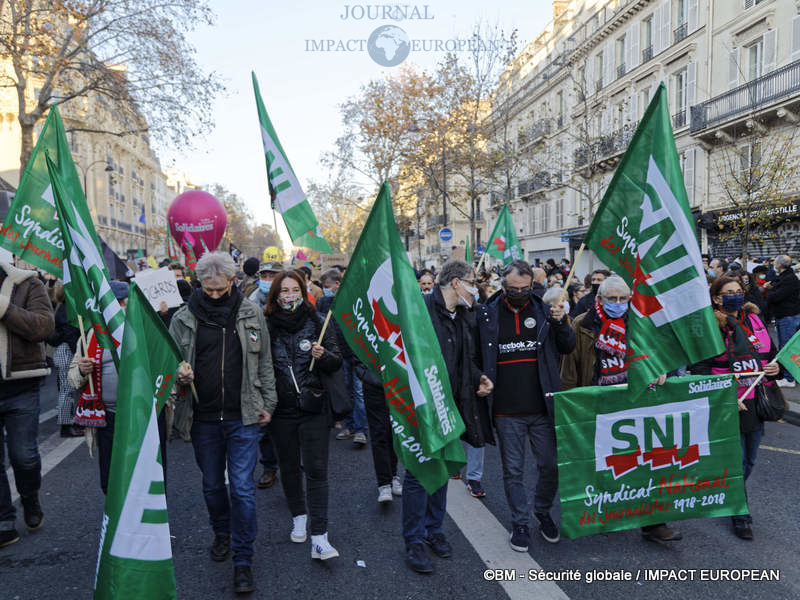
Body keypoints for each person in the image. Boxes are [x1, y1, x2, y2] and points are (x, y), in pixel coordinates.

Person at [169, 252, 277, 595]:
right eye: (207, 289)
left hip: (243, 415)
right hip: (202, 418)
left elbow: (265, 363)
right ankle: (222, 532)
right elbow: (167, 363)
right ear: (198, 283)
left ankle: (243, 559)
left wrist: (268, 404)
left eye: (220, 289)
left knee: (243, 488)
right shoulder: (183, 318)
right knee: (213, 485)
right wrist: (178, 373)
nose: (213, 295)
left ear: (232, 282)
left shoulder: (250, 312)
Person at [561, 275, 678, 543]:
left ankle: (653, 523)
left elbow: (656, 356)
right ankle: (595, 513)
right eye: (612, 299)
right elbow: (570, 371)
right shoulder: (582, 325)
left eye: (623, 299)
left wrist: (658, 369)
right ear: (599, 299)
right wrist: (573, 405)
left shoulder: (639, 324)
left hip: (635, 403)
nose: (618, 304)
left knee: (646, 462)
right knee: (601, 463)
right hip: (597, 402)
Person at [474, 260, 576, 551]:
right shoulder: (486, 314)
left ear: (532, 285)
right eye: (512, 288)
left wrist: (560, 322)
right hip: (506, 411)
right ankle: (519, 522)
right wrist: (480, 379)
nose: (519, 293)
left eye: (525, 288)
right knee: (513, 471)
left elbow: (568, 347)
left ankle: (542, 511)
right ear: (502, 285)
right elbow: (477, 356)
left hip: (543, 408)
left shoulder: (546, 310)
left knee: (550, 466)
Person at [404, 260, 494, 574]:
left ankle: (434, 530)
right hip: (424, 406)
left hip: (453, 405)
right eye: (472, 282)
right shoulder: (421, 311)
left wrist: (478, 378)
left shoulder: (463, 315)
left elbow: (465, 358)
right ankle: (414, 540)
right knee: (419, 472)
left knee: (442, 470)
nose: (476, 289)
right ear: (456, 283)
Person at [689, 275, 780, 540]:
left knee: (750, 460)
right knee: (737, 461)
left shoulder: (753, 319)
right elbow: (700, 369)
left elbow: (770, 354)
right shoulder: (708, 325)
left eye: (739, 291)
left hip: (755, 400)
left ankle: (727, 491)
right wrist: (723, 396)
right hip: (726, 402)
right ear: (717, 297)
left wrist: (775, 368)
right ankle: (740, 514)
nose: (735, 296)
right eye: (729, 292)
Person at [265, 270, 342, 562]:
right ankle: (298, 515)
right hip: (280, 411)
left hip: (313, 407)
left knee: (317, 469)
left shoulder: (318, 322)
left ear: (303, 291)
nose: (289, 296)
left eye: (294, 290)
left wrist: (324, 356)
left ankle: (320, 536)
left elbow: (337, 362)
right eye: (283, 291)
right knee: (289, 467)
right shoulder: (265, 325)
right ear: (275, 296)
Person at [0, 260, 55, 548]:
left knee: (24, 456)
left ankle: (30, 498)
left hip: (20, 386)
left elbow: (43, 328)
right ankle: (4, 520)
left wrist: (4, 308)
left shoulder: (28, 284)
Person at [317, 269, 368, 448]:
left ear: (338, 284)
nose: (325, 290)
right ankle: (349, 426)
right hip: (337, 355)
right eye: (323, 287)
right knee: (344, 391)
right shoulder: (323, 303)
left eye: (327, 286)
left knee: (359, 393)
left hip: (357, 354)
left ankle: (361, 429)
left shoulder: (353, 301)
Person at [46, 282, 82, 438]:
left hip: (64, 351)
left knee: (66, 390)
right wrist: (79, 354)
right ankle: (66, 427)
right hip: (67, 352)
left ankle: (69, 424)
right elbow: (70, 335)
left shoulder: (63, 307)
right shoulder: (68, 309)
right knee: (66, 391)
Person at [764, 255, 800, 387]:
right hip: (786, 315)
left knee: (786, 347)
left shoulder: (789, 279)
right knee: (787, 346)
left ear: (780, 264)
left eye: (775, 262)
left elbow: (776, 296)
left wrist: (769, 292)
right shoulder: (786, 277)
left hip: (788, 316)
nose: (773, 264)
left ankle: (789, 378)